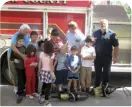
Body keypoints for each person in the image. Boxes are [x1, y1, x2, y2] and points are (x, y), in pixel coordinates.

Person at [92, 19, 119, 96]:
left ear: (107, 24)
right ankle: (97, 87)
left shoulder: (112, 34)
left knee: (106, 73)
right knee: (97, 73)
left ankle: (105, 88)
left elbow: (116, 46)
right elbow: (92, 44)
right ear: (99, 24)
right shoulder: (95, 33)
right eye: (101, 23)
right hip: (97, 58)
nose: (103, 25)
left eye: (104, 24)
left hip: (107, 57)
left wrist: (115, 57)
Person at [10, 24, 30, 94]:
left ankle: (22, 87)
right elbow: (13, 47)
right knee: (15, 73)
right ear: (20, 30)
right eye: (25, 32)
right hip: (15, 56)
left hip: (23, 56)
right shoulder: (16, 35)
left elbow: (27, 45)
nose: (27, 34)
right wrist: (21, 55)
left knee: (22, 73)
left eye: (28, 32)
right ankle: (15, 87)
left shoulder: (27, 35)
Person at [10, 33, 26, 103]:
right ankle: (20, 93)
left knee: (24, 79)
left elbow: (27, 56)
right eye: (20, 41)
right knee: (20, 80)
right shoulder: (14, 49)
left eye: (22, 41)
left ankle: (22, 90)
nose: (21, 42)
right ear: (17, 41)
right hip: (18, 67)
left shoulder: (24, 48)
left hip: (24, 67)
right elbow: (11, 58)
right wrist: (14, 60)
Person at [38, 41, 55, 106]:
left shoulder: (41, 53)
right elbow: (51, 65)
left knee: (43, 86)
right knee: (48, 87)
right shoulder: (52, 55)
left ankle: (41, 98)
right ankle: (46, 102)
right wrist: (53, 72)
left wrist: (39, 72)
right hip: (48, 72)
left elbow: (40, 64)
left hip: (42, 72)